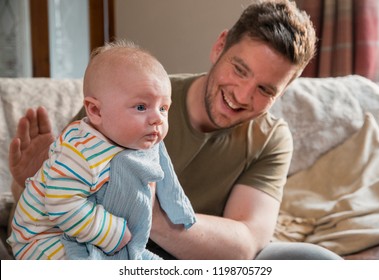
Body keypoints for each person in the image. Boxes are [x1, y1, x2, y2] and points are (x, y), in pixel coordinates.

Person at [8, 0, 342, 259]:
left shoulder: (270, 138)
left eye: (266, 90)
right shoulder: (130, 94)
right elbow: (57, 212)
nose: (241, 96)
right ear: (220, 46)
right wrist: (28, 183)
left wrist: (148, 215)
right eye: (239, 70)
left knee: (316, 261)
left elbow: (245, 245)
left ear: (282, 93)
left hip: (195, 258)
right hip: (109, 249)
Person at [7, 41, 196, 260]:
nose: (157, 118)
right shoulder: (80, 151)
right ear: (96, 111)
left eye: (163, 108)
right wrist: (113, 233)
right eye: (141, 107)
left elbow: (167, 180)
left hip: (90, 234)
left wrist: (180, 211)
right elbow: (62, 204)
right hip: (43, 238)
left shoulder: (144, 144)